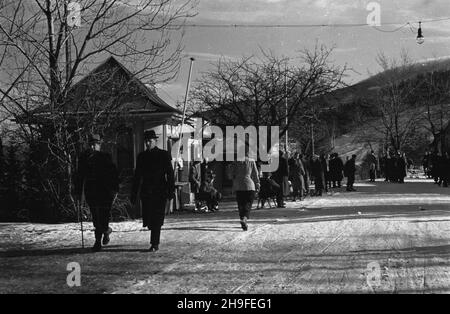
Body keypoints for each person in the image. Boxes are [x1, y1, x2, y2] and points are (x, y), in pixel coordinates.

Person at [130, 130, 175, 252]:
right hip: (147, 192)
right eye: (146, 141)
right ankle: (154, 237)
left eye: (150, 141)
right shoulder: (142, 157)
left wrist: (171, 191)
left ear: (156, 141)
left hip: (160, 191)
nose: (147, 143)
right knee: (149, 219)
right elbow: (137, 176)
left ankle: (155, 243)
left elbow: (170, 174)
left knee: (157, 218)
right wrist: (134, 194)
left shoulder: (163, 155)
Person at [74, 134, 119, 252]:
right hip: (91, 192)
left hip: (105, 193)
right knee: (96, 217)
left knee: (104, 216)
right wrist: (78, 192)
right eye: (91, 144)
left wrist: (115, 190)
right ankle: (98, 242)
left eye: (96, 144)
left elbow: (114, 175)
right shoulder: (84, 158)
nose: (93, 147)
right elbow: (79, 176)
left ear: (100, 145)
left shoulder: (106, 157)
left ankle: (106, 230)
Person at [229, 152, 260, 231]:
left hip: (238, 185)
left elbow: (230, 174)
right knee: (248, 204)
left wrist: (234, 180)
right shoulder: (252, 161)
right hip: (249, 185)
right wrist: (257, 184)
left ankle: (243, 219)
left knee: (241, 204)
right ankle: (244, 219)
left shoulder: (235, 161)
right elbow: (255, 174)